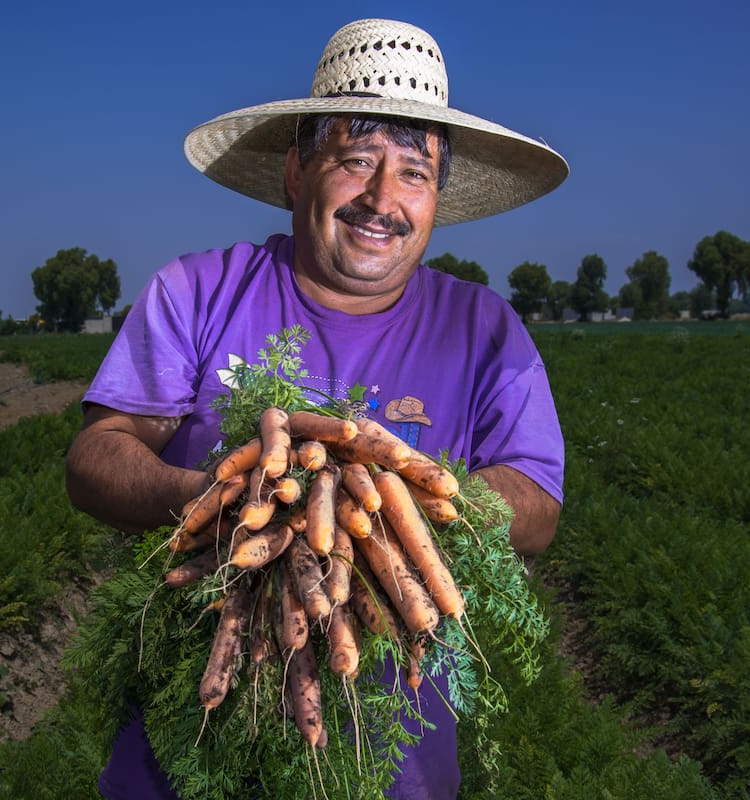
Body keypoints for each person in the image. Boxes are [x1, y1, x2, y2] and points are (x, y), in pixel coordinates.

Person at [65, 17, 569, 800]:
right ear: (297, 170)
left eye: (412, 172)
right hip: (183, 760)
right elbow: (96, 455)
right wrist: (216, 498)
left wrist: (404, 494)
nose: (382, 199)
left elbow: (537, 505)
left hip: (389, 765)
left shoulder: (485, 331)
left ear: (438, 196)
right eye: (356, 161)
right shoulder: (197, 292)